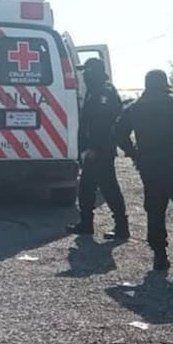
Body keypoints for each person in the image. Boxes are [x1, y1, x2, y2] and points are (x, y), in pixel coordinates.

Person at [114, 69, 173, 272]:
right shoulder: (171, 104)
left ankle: (159, 256)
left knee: (155, 210)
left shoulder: (135, 107)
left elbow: (118, 132)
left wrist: (134, 153)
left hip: (149, 166)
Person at [66, 58, 128, 240]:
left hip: (100, 150)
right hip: (94, 150)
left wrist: (93, 147)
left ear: (94, 72)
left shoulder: (104, 92)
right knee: (87, 188)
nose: (84, 75)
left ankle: (121, 227)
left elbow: (103, 125)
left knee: (109, 188)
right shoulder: (95, 90)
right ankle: (86, 224)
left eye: (87, 71)